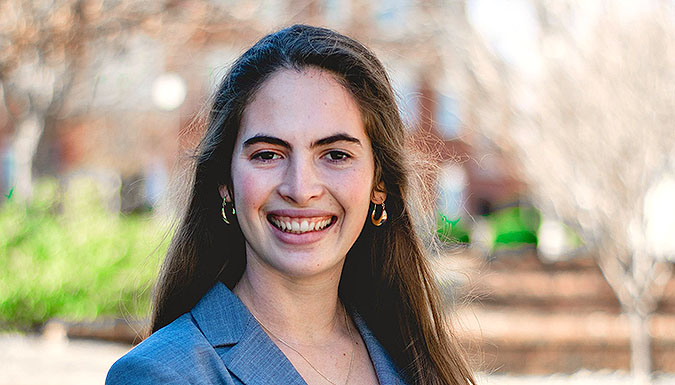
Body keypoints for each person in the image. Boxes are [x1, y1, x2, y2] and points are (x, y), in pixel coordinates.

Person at [106, 24, 475, 385]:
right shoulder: (161, 374)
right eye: (268, 154)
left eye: (335, 154)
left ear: (380, 184)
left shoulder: (415, 359)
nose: (300, 189)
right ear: (225, 183)